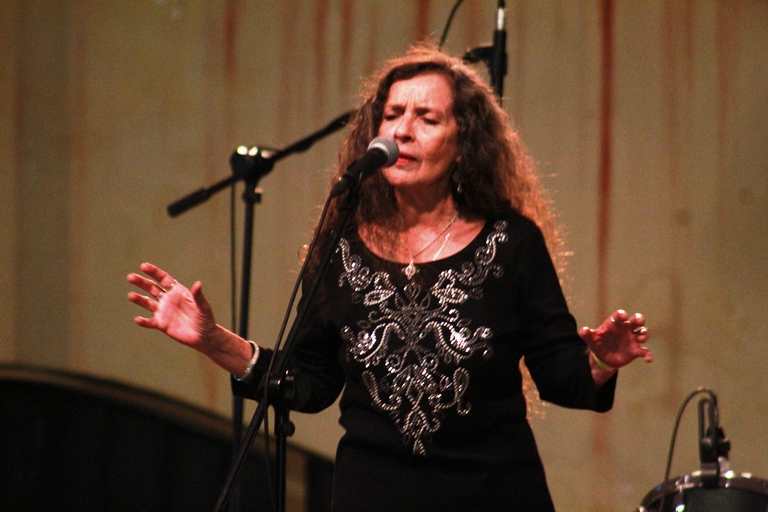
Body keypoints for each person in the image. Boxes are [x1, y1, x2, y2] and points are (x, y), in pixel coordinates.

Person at [127, 43, 652, 511]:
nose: (402, 130)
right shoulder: (343, 245)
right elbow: (306, 381)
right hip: (373, 493)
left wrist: (603, 359)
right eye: (393, 115)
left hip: (492, 492)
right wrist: (212, 340)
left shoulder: (511, 242)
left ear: (463, 143)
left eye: (427, 118)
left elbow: (562, 376)